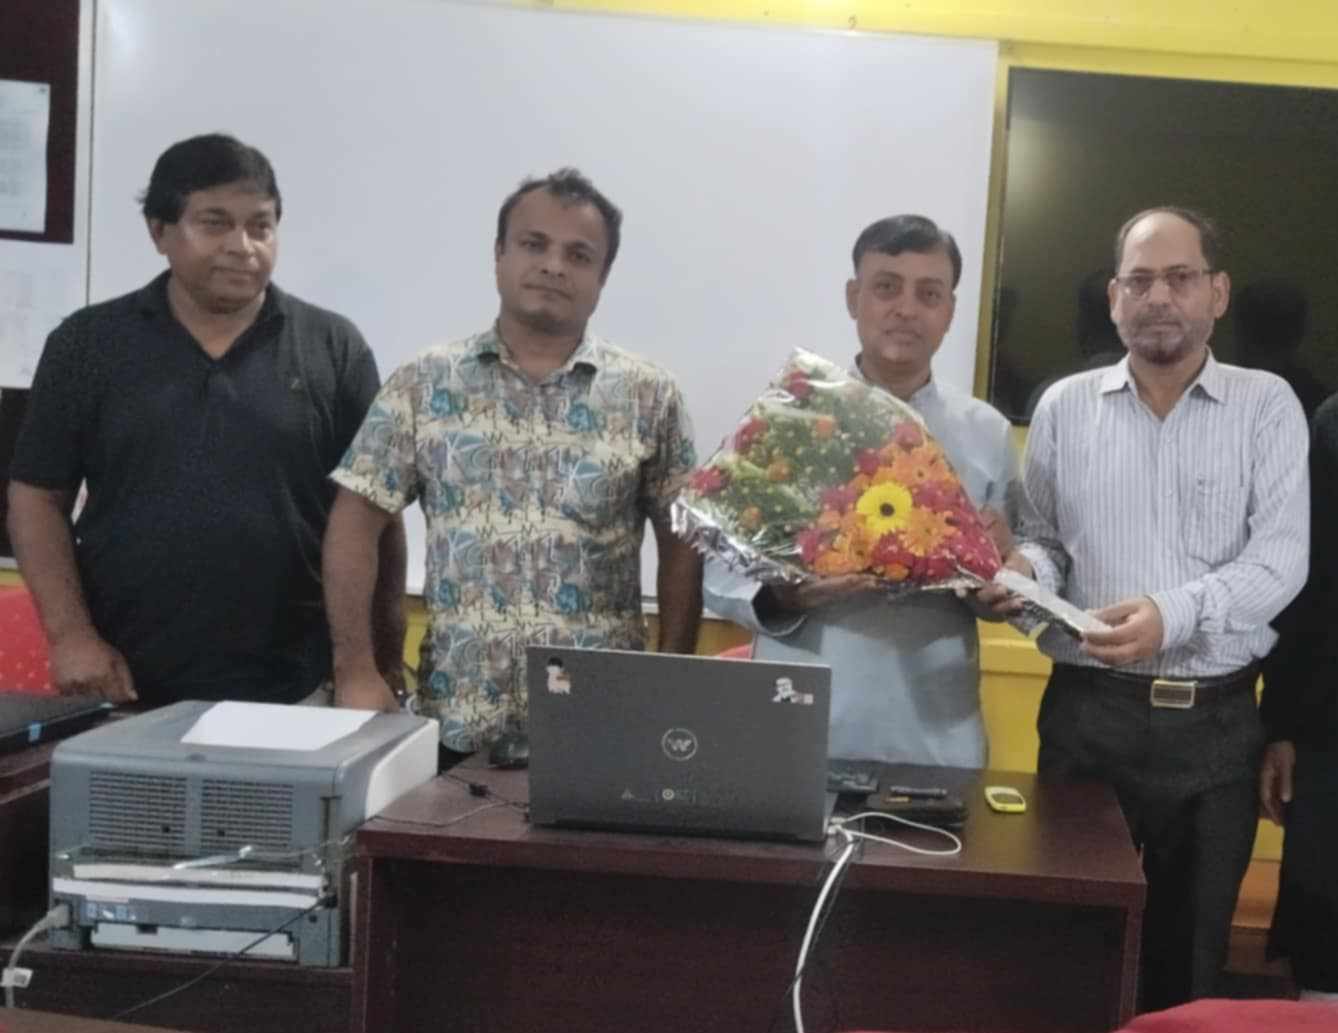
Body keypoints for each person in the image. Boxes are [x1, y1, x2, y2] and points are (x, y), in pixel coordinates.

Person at [1010, 206, 1309, 1010]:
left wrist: (1169, 614)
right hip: (1086, 720)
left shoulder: (1267, 405)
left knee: (1188, 975)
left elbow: (1281, 562)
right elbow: (1045, 544)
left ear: (1218, 291)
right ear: (1114, 298)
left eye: (1180, 277)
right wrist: (1019, 576)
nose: (1159, 297)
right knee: (1064, 960)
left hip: (1215, 733)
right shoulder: (1064, 406)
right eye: (1139, 281)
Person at [6, 133, 406, 709]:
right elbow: (37, 499)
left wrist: (376, 661)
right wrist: (71, 637)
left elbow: (377, 514)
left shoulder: (333, 348)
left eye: (260, 226)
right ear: (159, 232)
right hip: (125, 683)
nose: (242, 246)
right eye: (215, 223)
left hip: (299, 687)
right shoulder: (88, 344)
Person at [323, 168, 703, 751]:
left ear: (603, 277)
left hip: (604, 726)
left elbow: (682, 542)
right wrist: (355, 668)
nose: (553, 266)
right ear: (499, 255)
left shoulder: (649, 395)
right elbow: (355, 521)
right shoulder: (425, 382)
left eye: (578, 255)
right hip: (456, 723)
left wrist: (674, 673)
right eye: (534, 244)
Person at [704, 214, 1021, 767]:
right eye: (886, 287)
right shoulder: (793, 415)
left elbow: (1009, 580)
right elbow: (718, 571)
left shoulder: (987, 433)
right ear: (854, 298)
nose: (906, 309)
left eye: (929, 294)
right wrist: (785, 594)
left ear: (950, 310)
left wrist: (1002, 582)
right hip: (794, 724)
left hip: (934, 735)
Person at [1259, 392, 1338, 1006]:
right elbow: (1304, 583)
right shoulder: (1335, 424)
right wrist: (1279, 725)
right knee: (1325, 938)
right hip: (1329, 726)